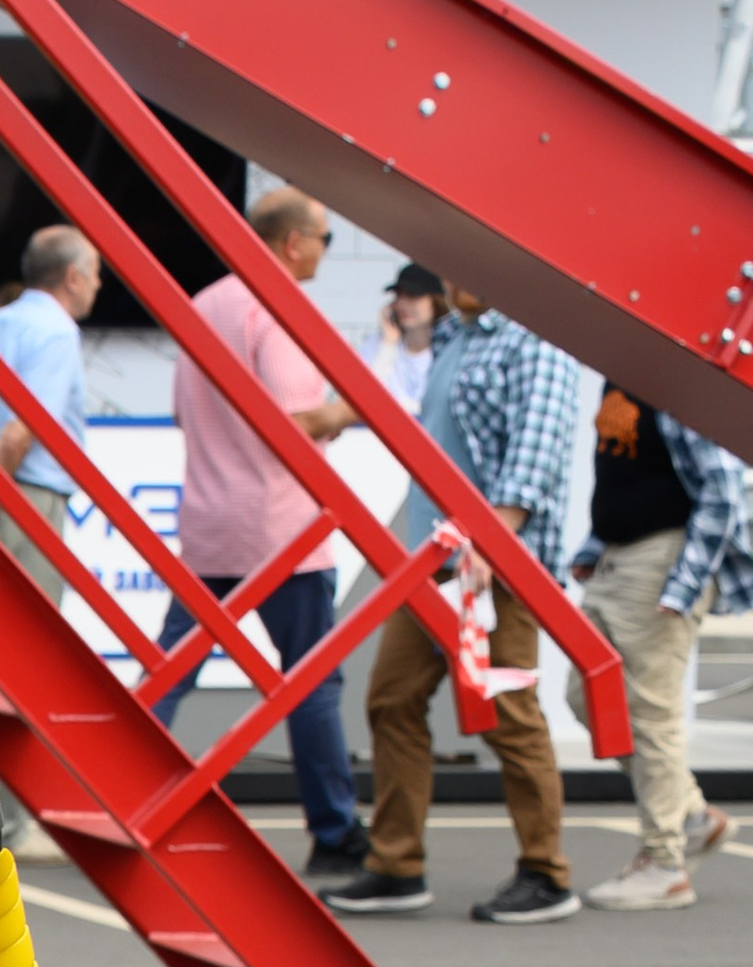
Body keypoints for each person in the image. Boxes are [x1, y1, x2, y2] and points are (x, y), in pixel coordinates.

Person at [322, 281, 582, 926]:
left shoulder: (534, 337)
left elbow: (535, 453)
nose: (450, 281)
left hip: (494, 567)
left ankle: (546, 872)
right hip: (434, 561)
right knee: (391, 698)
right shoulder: (454, 338)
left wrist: (495, 545)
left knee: (509, 714)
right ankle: (396, 863)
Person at [156, 186, 366, 879]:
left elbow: (185, 415)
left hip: (210, 524)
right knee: (313, 684)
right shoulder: (275, 309)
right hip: (283, 533)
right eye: (326, 240)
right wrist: (354, 406)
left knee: (170, 674)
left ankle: (117, 791)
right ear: (292, 242)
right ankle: (334, 832)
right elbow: (294, 422)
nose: (327, 254)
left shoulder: (204, 303)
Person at [568, 389, 750, 910]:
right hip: (617, 558)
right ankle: (689, 816)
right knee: (586, 698)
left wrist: (684, 583)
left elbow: (724, 492)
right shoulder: (620, 374)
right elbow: (624, 471)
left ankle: (664, 862)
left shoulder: (674, 380)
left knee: (651, 713)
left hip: (659, 560)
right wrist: (594, 545)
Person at [0, 223, 99, 584]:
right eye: (96, 274)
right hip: (22, 501)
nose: (99, 284)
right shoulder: (57, 331)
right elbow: (18, 436)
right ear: (73, 277)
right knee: (28, 634)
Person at [373, 262, 444, 416]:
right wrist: (388, 344)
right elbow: (366, 396)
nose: (402, 303)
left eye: (413, 295)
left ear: (435, 301)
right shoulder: (381, 343)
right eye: (399, 295)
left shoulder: (448, 347)